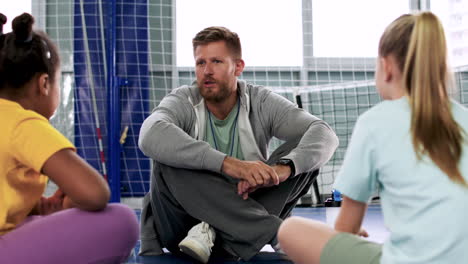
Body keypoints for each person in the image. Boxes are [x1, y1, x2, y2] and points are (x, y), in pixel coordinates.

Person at [278, 11, 468, 264]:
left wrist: (350, 240)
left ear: (386, 67)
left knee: (290, 230)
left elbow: (345, 228)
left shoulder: (375, 123)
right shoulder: (464, 119)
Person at [138, 26, 339, 263]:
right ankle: (279, 234)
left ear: (239, 67)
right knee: (168, 154)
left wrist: (282, 170)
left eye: (217, 62)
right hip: (184, 232)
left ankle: (214, 229)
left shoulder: (260, 101)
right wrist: (230, 165)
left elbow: (325, 134)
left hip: (236, 230)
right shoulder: (184, 100)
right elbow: (149, 134)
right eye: (200, 63)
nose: (207, 71)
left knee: (304, 151)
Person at [0, 13, 139, 264]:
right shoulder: (23, 122)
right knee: (122, 220)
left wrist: (42, 207)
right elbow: (95, 194)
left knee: (37, 220)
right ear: (44, 84)